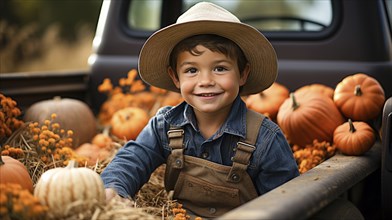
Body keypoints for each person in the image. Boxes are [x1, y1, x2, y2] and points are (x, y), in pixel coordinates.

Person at [101, 2, 299, 218]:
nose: (206, 81)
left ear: (243, 74)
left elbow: (286, 203)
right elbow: (133, 159)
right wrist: (114, 188)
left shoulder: (265, 140)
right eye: (192, 70)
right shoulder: (165, 125)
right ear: (175, 77)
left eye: (220, 68)